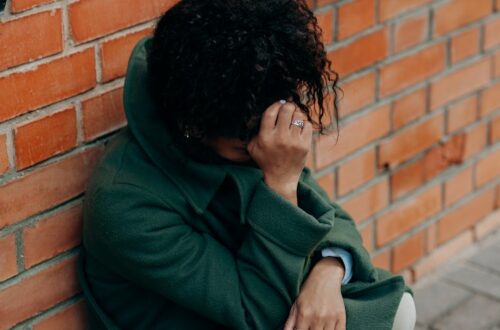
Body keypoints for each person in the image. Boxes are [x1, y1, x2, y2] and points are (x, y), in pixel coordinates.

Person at [77, 0, 416, 329]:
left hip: (258, 296)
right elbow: (258, 313)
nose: (263, 145)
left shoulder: (240, 123)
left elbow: (332, 218)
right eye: (248, 140)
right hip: (228, 314)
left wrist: (328, 271)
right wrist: (281, 184)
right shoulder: (124, 202)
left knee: (389, 305)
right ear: (193, 127)